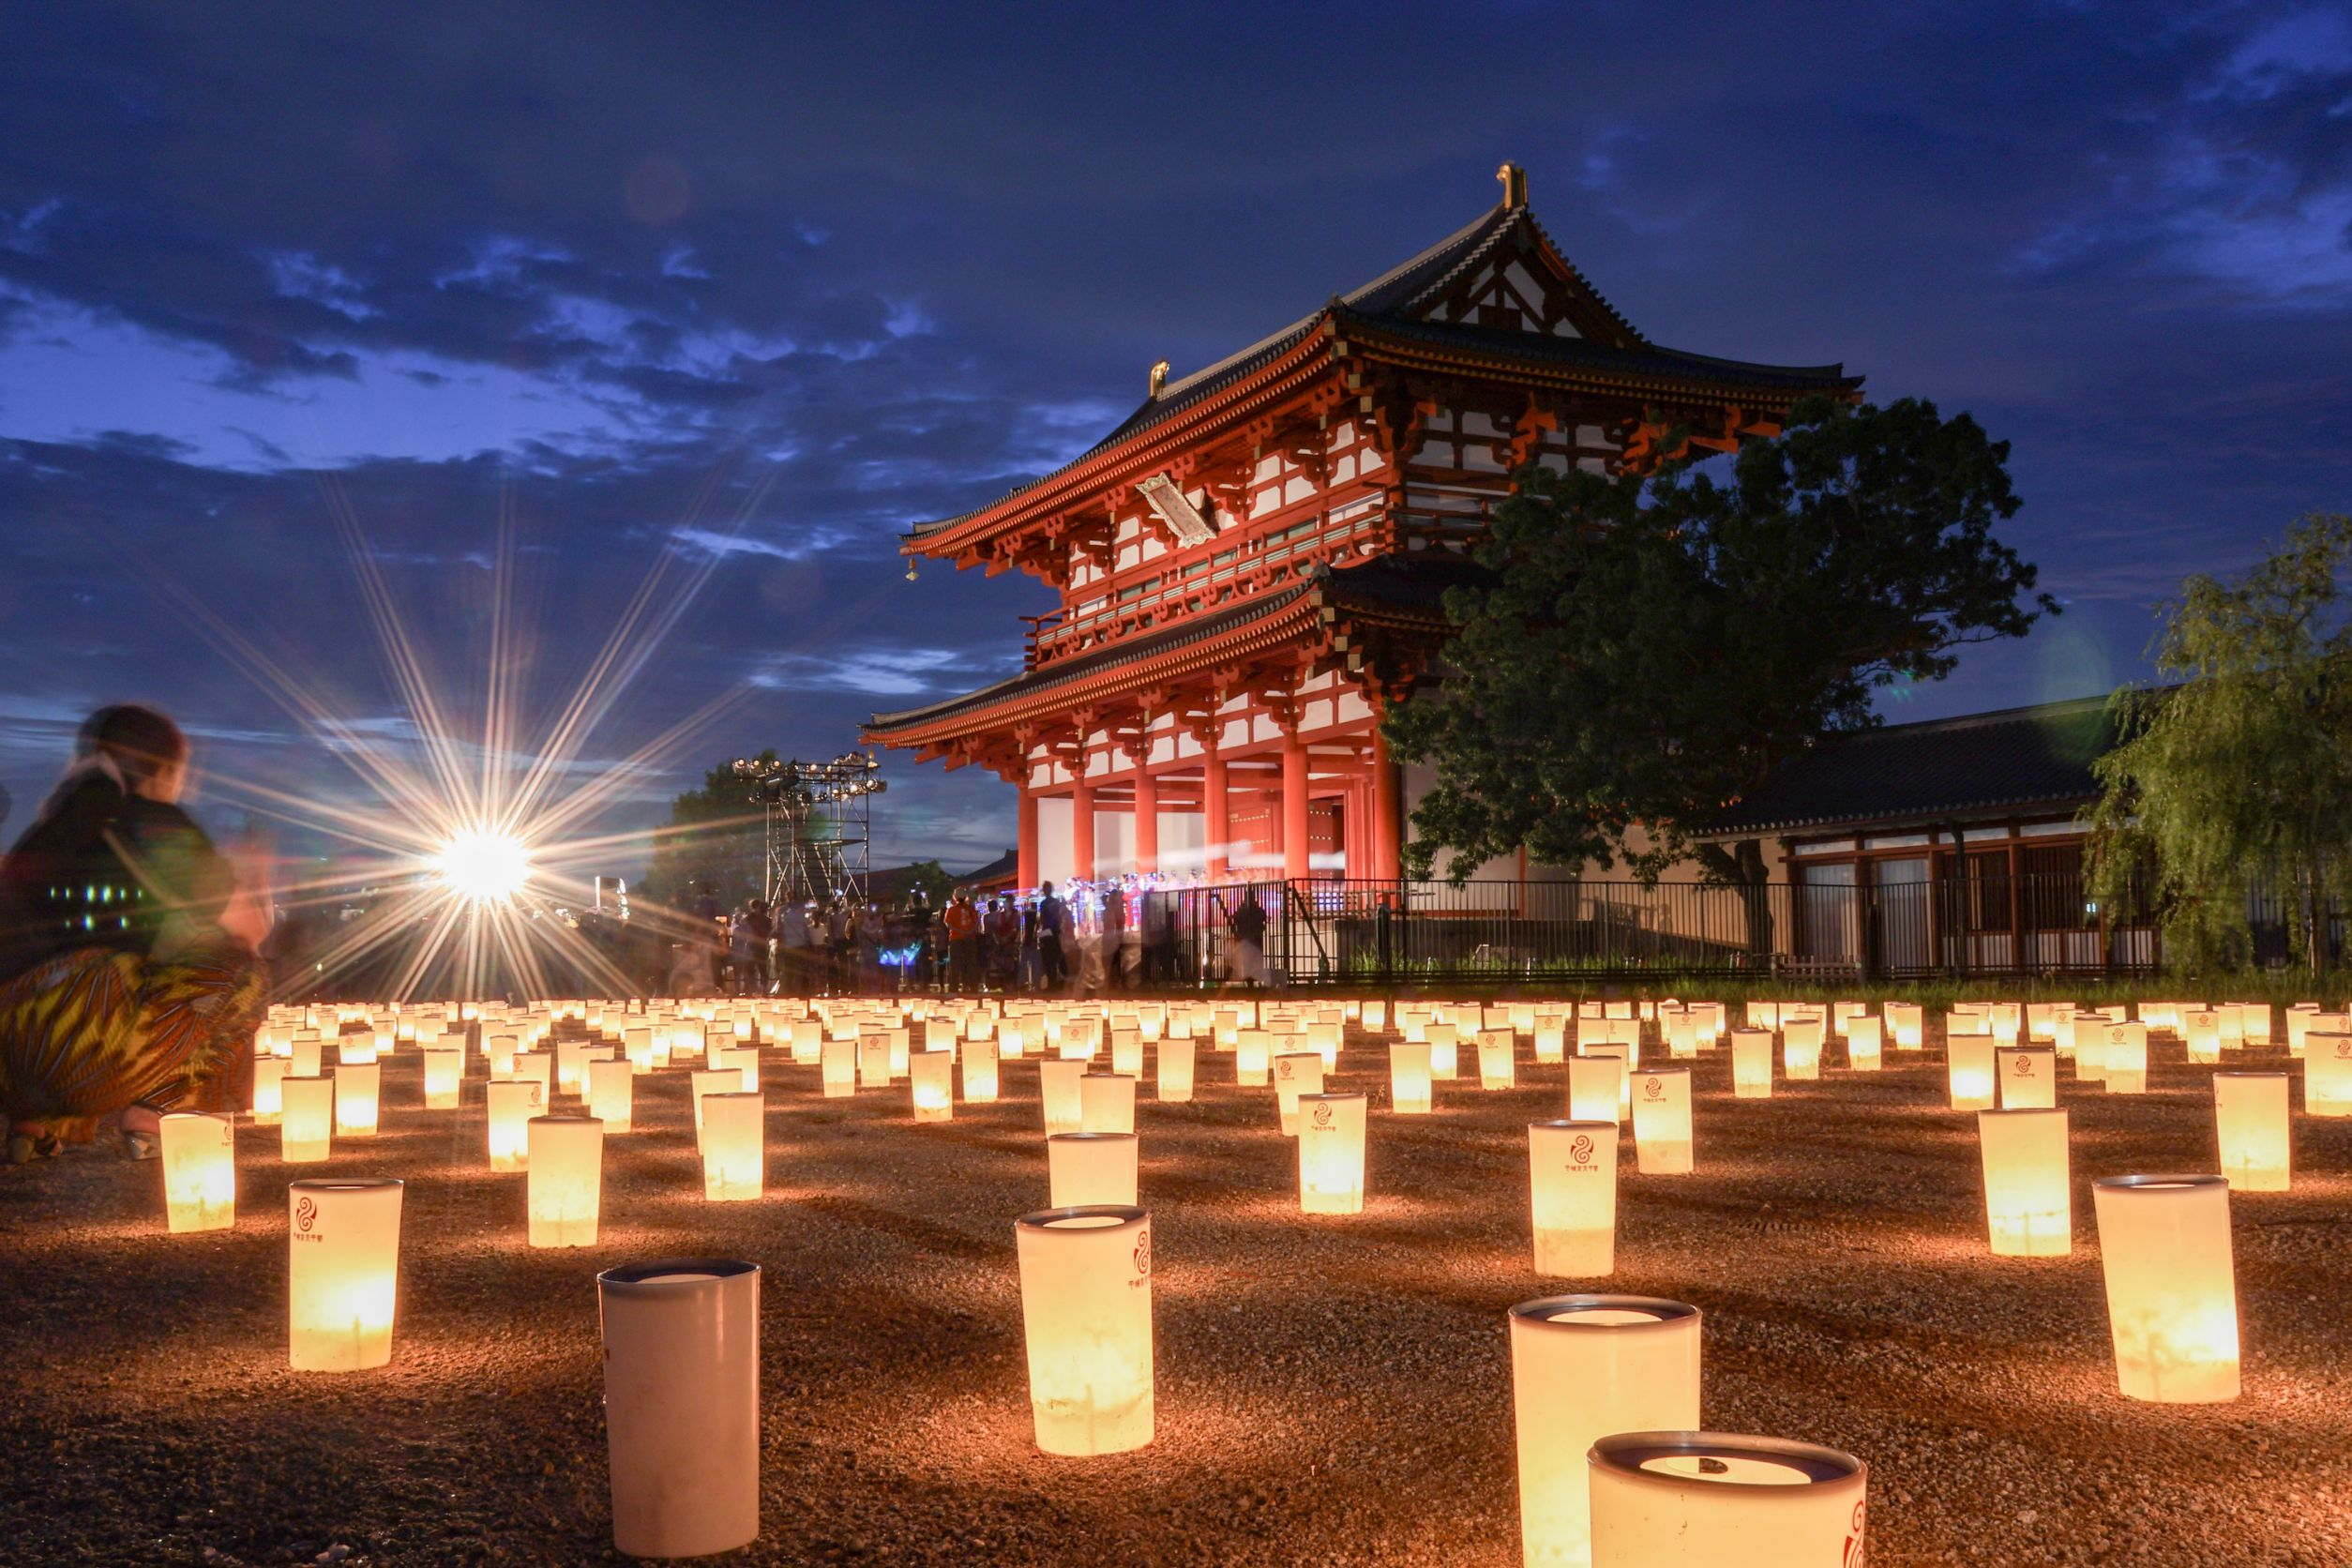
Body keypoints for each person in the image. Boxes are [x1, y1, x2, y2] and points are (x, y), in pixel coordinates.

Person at [0, 704, 271, 1162]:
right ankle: (155, 1114)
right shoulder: (151, 821)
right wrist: (253, 873)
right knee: (244, 970)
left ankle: (32, 1124)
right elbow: (249, 928)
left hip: (9, 1059)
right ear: (166, 769)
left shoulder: (53, 828)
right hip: (79, 1036)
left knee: (78, 996)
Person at [1227, 885, 1269, 987]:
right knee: (1257, 961)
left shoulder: (1241, 909)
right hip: (1256, 939)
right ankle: (1257, 980)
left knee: (1246, 961)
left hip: (1245, 940)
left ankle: (1249, 980)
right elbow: (1264, 917)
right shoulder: (1257, 909)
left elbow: (1235, 919)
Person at [943, 890, 980, 992]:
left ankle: (953, 989)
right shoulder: (971, 910)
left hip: (956, 939)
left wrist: (959, 931)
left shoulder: (951, 910)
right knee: (971, 964)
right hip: (970, 939)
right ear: (966, 897)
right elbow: (977, 923)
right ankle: (973, 987)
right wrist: (969, 932)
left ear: (954, 897)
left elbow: (948, 924)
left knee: (955, 965)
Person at [1036, 881, 1069, 988]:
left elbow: (1043, 920)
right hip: (1055, 932)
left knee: (1048, 958)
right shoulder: (1056, 903)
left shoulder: (1044, 904)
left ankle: (1051, 981)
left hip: (1048, 933)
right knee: (1055, 957)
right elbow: (1058, 919)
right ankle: (1055, 981)